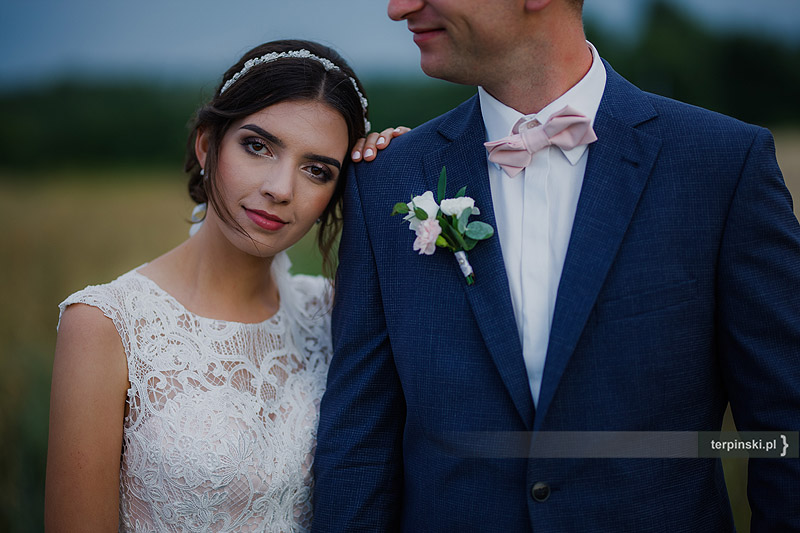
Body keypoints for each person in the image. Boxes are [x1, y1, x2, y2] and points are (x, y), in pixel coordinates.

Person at [313, 1, 800, 531]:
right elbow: (360, 443)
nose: (398, 7)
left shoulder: (722, 164)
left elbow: (783, 428)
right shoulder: (387, 179)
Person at [44, 39, 407, 531]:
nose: (280, 188)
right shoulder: (107, 324)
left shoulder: (332, 310)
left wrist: (403, 171)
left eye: (317, 170)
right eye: (258, 146)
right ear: (206, 145)